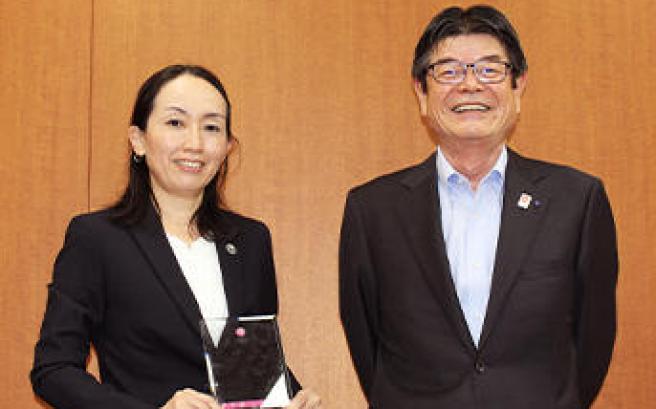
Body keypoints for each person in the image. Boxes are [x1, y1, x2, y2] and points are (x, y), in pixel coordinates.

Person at [339, 5, 618, 409]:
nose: (470, 85)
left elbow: (593, 340)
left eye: (490, 69)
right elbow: (367, 342)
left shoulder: (577, 200)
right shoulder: (372, 210)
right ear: (421, 90)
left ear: (518, 86)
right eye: (449, 71)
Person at [31, 64, 321, 409]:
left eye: (211, 127)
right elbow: (54, 370)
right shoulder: (97, 239)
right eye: (175, 123)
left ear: (227, 146)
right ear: (138, 140)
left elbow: (251, 367)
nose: (195, 143)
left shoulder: (250, 240)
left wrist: (293, 397)